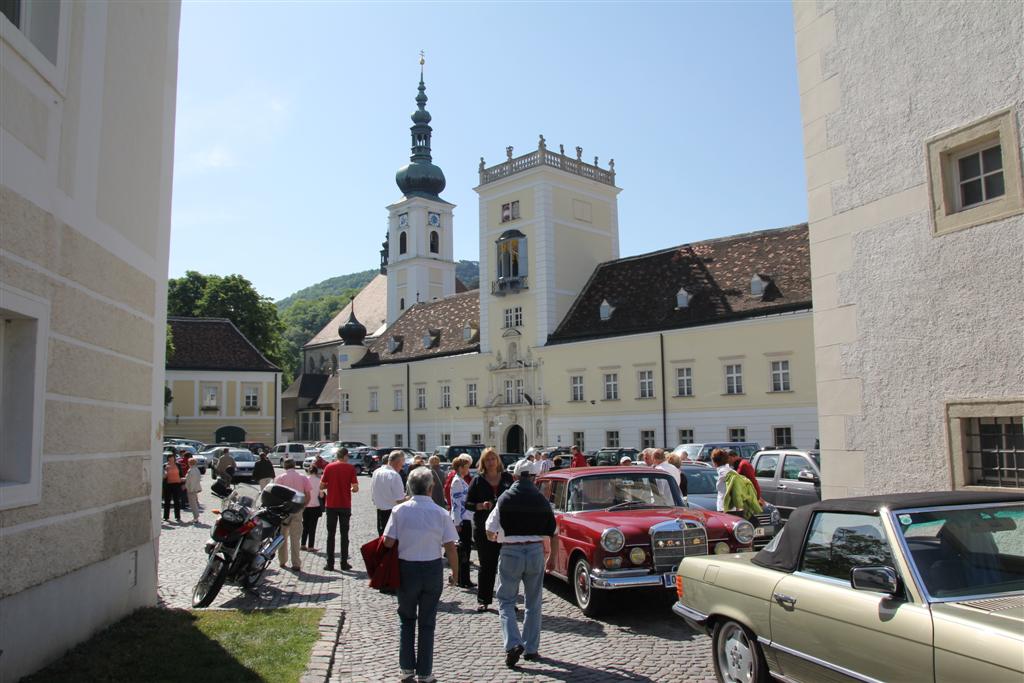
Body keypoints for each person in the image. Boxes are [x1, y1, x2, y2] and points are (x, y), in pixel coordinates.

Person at [382, 467, 460, 683]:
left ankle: (406, 669)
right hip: (432, 568)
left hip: (407, 568)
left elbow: (388, 541)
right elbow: (451, 547)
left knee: (406, 619)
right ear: (431, 487)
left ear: (409, 486)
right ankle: (425, 673)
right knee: (427, 622)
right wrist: (455, 572)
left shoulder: (399, 511)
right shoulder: (441, 513)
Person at [486, 460, 556, 668]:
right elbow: (551, 528)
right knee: (533, 602)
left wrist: (497, 538)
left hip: (511, 552)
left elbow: (490, 529)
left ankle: (512, 643)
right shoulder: (541, 499)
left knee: (506, 600)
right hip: (535, 550)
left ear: (515, 477)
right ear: (534, 478)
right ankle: (531, 648)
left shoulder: (505, 498)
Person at [466, 448, 514, 612]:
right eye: (488, 459)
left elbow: (515, 497)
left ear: (498, 461)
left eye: (493, 459)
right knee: (487, 565)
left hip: (506, 527)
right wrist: (480, 505)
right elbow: (468, 503)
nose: (491, 462)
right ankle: (484, 600)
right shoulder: (477, 480)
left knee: (508, 566)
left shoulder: (507, 478)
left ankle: (509, 601)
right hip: (483, 528)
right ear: (483, 462)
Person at [321, 448, 360, 571]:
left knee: (330, 535)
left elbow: (322, 485)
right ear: (345, 456)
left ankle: (330, 563)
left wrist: (330, 485)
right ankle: (344, 563)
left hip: (331, 504)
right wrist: (350, 489)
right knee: (344, 535)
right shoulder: (350, 468)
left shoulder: (329, 467)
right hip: (345, 505)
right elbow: (355, 488)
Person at [274, 458, 313, 572]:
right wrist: (303, 507)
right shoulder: (302, 477)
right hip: (297, 510)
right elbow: (308, 496)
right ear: (295, 465)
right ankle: (296, 563)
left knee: (282, 537)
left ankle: (282, 560)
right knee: (295, 538)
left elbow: (275, 496)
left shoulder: (280, 478)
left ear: (285, 466)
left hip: (284, 511)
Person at [448, 454, 475, 589]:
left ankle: (462, 577)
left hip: (465, 518)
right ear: (460, 468)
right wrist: (457, 522)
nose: (468, 469)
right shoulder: (457, 481)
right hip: (462, 520)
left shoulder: (461, 480)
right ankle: (462, 579)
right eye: (465, 467)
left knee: (465, 550)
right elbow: (456, 504)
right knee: (464, 551)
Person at [371, 450, 407, 535]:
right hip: (391, 513)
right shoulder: (394, 475)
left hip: (379, 511)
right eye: (402, 464)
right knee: (391, 542)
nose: (401, 467)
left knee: (382, 538)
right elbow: (399, 500)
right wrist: (410, 498)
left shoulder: (376, 472)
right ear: (397, 462)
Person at [301, 464, 324, 551]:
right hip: (315, 505)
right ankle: (311, 546)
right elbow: (321, 495)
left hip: (305, 506)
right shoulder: (319, 481)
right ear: (316, 471)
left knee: (305, 526)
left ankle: (303, 544)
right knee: (312, 527)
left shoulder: (305, 480)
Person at [162, 453, 183, 522]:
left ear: (174, 459)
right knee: (167, 501)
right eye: (170, 458)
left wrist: (183, 483)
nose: (171, 460)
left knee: (176, 501)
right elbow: (164, 476)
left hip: (176, 485)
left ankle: (177, 516)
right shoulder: (165, 465)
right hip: (168, 485)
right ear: (168, 459)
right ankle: (166, 516)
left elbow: (181, 475)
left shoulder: (178, 465)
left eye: (172, 458)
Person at [184, 457, 202, 523]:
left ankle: (196, 517)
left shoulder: (191, 470)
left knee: (192, 503)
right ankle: (196, 517)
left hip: (191, 489)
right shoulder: (197, 469)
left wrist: (185, 486)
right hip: (195, 488)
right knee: (194, 502)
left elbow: (189, 480)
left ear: (190, 463)